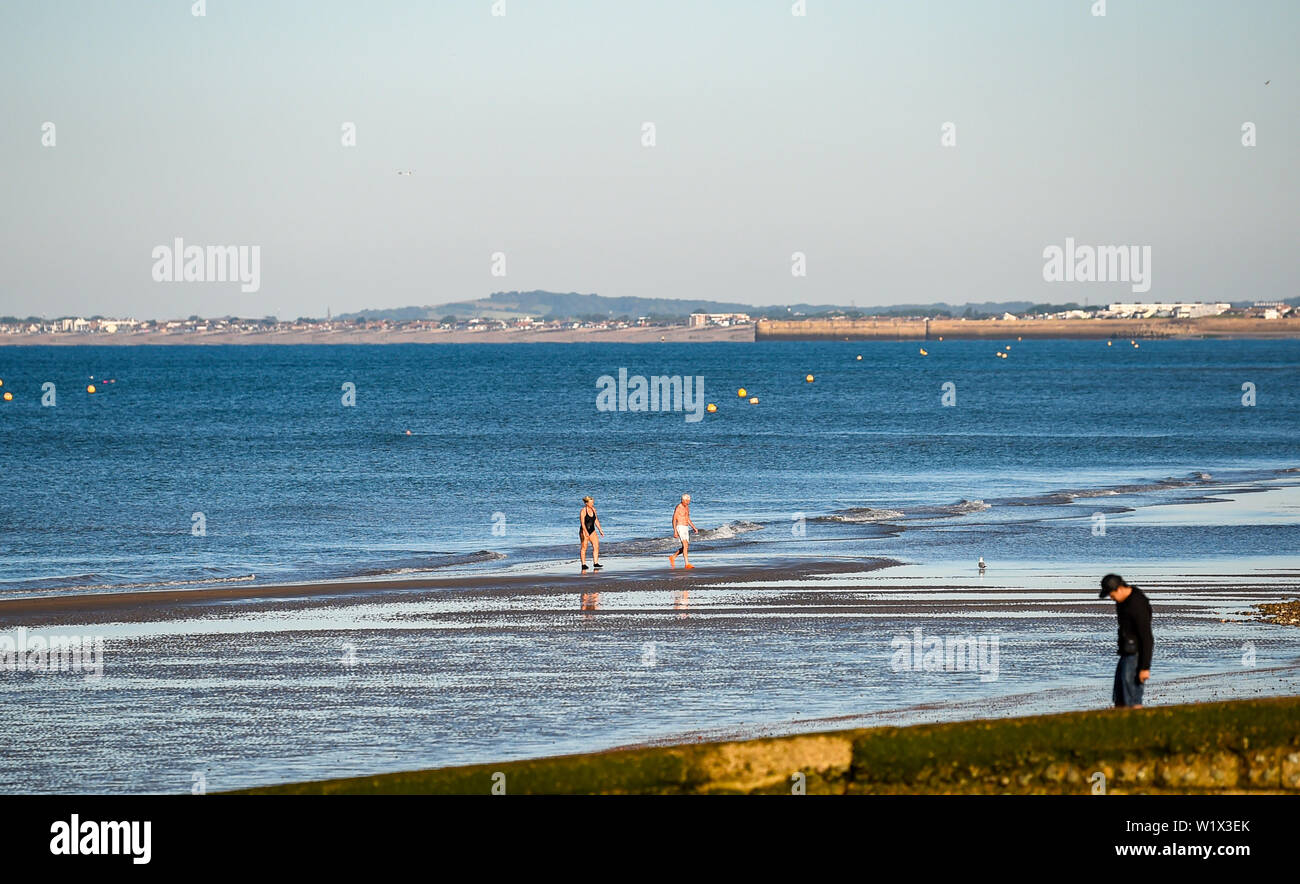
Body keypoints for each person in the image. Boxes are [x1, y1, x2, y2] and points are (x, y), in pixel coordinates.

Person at [1099, 574, 1153, 708]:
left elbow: (1147, 638)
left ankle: (1136, 721)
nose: (1111, 599)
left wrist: (1145, 667)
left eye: (1111, 595)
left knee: (1132, 696)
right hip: (1126, 653)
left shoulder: (1137, 605)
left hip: (1136, 655)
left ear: (1119, 589)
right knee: (1119, 695)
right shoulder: (1122, 602)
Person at [668, 494, 697, 569]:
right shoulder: (678, 507)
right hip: (680, 527)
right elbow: (674, 520)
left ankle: (673, 557)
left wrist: (694, 527)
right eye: (687, 501)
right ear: (683, 500)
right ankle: (687, 564)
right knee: (685, 545)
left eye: (689, 501)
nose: (688, 502)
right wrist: (675, 531)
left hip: (686, 527)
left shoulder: (687, 507)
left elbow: (687, 519)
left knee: (686, 546)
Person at [579, 496, 604, 572]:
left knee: (596, 546)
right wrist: (586, 532)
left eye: (593, 502)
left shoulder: (593, 509)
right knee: (584, 548)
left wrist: (600, 530)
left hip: (592, 531)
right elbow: (582, 523)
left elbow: (596, 520)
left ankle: (595, 563)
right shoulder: (583, 511)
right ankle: (583, 564)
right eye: (591, 503)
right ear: (586, 503)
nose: (592, 504)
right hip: (584, 531)